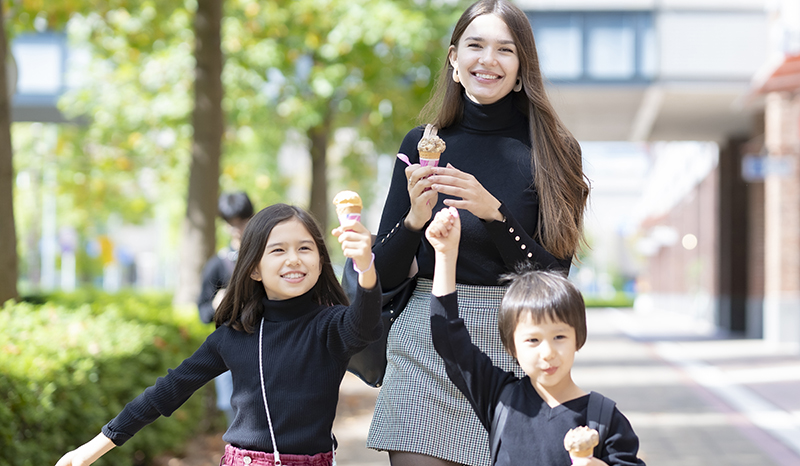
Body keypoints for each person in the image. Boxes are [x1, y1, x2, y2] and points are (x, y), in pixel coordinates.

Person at [367, 0, 589, 465]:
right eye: (475, 45)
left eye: (505, 50)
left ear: (522, 66)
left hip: (512, 345)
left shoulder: (554, 151)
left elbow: (553, 280)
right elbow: (384, 277)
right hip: (424, 339)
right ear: (453, 58)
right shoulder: (419, 145)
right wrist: (413, 218)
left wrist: (495, 214)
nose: (488, 60)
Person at [55, 203, 382, 466]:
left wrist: (365, 266)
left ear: (321, 260)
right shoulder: (233, 336)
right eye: (278, 250)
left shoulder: (330, 325)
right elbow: (167, 392)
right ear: (254, 268)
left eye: (305, 248)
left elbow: (364, 326)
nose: (294, 259)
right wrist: (93, 449)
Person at [426, 207, 645, 466]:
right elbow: (449, 340)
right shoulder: (500, 399)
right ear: (512, 346)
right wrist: (445, 254)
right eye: (533, 340)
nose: (548, 352)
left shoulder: (604, 418)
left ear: (579, 337)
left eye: (559, 337)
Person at [198, 191, 254, 426]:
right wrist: (215, 302)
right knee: (232, 409)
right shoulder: (217, 264)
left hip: (262, 345)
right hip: (229, 350)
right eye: (231, 224)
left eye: (241, 222)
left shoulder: (265, 256)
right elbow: (202, 313)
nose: (236, 229)